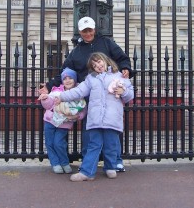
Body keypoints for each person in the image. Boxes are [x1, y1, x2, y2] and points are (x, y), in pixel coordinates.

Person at [38, 16, 132, 172]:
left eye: (89, 30)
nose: (87, 33)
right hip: (88, 94)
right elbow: (64, 72)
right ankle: (89, 161)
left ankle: (116, 160)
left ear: (94, 30)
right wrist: (49, 86)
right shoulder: (76, 51)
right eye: (84, 31)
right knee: (90, 131)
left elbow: (122, 58)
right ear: (80, 32)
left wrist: (126, 68)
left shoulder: (107, 43)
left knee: (113, 129)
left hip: (109, 94)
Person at [53, 52, 134, 181]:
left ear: (105, 60)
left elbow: (130, 95)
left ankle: (110, 167)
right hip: (95, 118)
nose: (98, 65)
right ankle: (87, 172)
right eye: (94, 65)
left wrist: (124, 92)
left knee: (111, 145)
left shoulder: (119, 76)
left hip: (112, 118)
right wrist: (62, 97)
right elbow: (78, 91)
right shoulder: (91, 79)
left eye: (99, 61)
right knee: (94, 145)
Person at [38, 67, 87, 174]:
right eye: (65, 78)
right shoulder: (56, 91)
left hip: (64, 124)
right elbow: (48, 105)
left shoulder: (78, 93)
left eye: (70, 78)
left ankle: (64, 162)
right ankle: (55, 163)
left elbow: (83, 109)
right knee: (50, 143)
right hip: (50, 120)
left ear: (75, 80)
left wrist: (77, 117)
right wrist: (45, 99)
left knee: (59, 143)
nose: (67, 80)